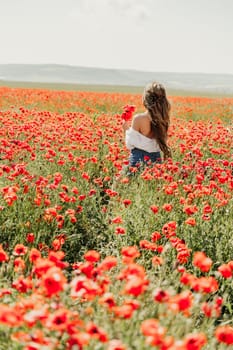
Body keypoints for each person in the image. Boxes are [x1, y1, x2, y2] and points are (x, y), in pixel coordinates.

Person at [122, 82, 171, 169]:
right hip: (156, 160)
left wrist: (125, 126)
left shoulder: (139, 119)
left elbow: (130, 144)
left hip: (138, 161)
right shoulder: (164, 120)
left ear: (145, 99)